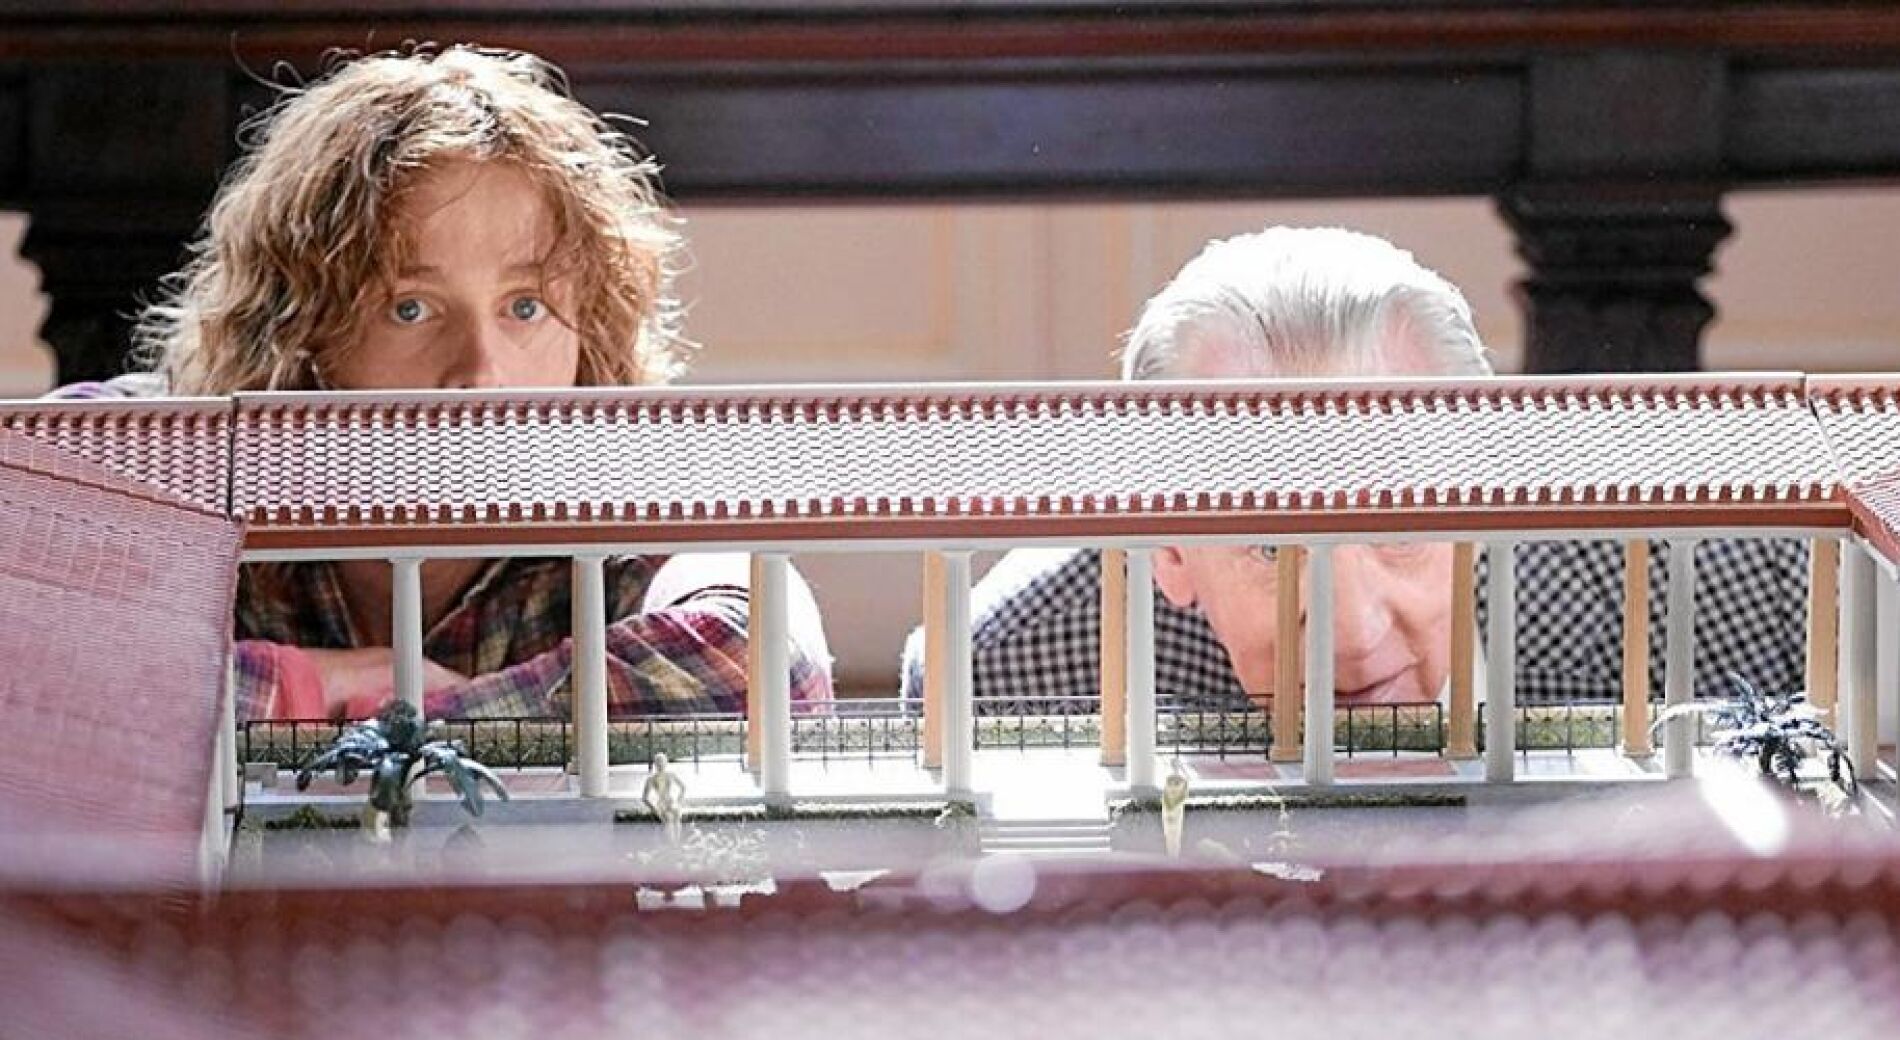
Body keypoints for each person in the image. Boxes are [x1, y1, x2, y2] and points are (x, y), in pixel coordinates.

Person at [53, 46, 833, 723]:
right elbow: (24, 649)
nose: (480, 372)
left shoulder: (629, 476)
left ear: (587, 325)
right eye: (411, 308)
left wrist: (406, 723)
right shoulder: (164, 447)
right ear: (306, 327)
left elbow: (769, 658)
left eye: (525, 306)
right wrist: (313, 682)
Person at [899, 226, 1808, 710]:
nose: (1351, 629)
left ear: (1488, 501)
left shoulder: (1740, 595)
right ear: (1166, 548)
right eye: (1268, 545)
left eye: (1400, 522)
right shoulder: (1005, 667)